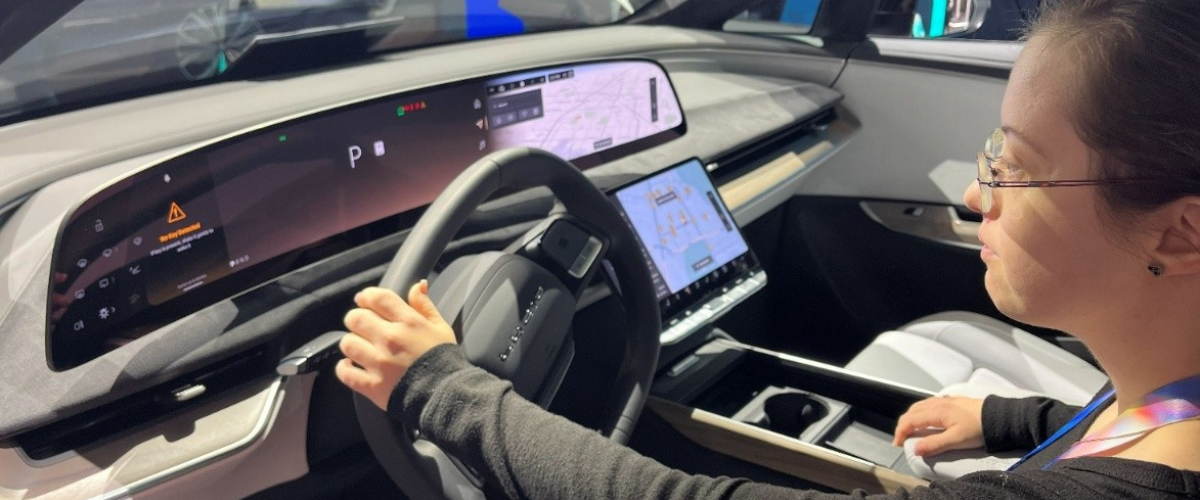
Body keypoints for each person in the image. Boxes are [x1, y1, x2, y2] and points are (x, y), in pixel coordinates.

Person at [334, 0, 1200, 497]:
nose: (977, 196)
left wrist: (445, 390)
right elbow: (1130, 419)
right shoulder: (1167, 394)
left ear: (1180, 230)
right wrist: (1014, 420)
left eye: (1013, 167)